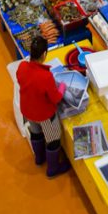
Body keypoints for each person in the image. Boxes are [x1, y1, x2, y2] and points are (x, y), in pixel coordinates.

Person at [16, 34, 70, 177]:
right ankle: (53, 169)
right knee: (53, 140)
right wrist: (62, 87)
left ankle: (39, 158)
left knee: (35, 133)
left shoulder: (22, 67)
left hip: (27, 111)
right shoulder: (46, 76)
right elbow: (55, 98)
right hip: (44, 116)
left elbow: (25, 83)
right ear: (44, 54)